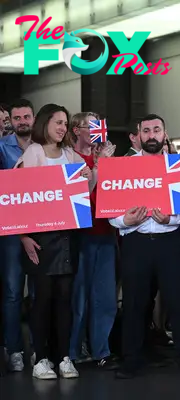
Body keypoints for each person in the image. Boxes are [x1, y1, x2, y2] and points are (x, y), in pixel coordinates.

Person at [108, 114, 180, 380]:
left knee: (178, 302)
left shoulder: (177, 165)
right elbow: (109, 208)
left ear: (164, 133)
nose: (151, 135)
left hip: (169, 242)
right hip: (135, 242)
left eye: (156, 129)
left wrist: (171, 218)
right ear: (138, 134)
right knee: (135, 304)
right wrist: (124, 220)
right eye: (146, 130)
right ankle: (131, 360)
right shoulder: (123, 166)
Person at [17, 104, 95, 380]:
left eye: (65, 123)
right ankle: (41, 359)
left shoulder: (72, 155)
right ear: (44, 124)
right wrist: (24, 236)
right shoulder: (33, 153)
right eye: (57, 122)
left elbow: (83, 194)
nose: (62, 127)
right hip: (40, 239)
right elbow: (19, 198)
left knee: (65, 300)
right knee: (42, 300)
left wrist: (90, 176)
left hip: (67, 236)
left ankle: (63, 357)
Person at [68, 112, 118, 368]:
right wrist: (100, 165)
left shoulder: (106, 158)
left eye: (99, 125)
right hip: (81, 234)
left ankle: (101, 351)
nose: (96, 130)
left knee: (106, 297)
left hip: (106, 232)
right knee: (79, 297)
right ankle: (72, 351)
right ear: (76, 130)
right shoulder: (70, 158)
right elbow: (79, 194)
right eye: (90, 126)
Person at [0, 99, 35, 372]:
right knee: (12, 293)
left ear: (34, 118)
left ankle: (39, 348)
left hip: (43, 228)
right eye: (17, 117)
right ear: (9, 121)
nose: (22, 121)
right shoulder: (1, 148)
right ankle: (14, 349)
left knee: (38, 293)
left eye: (26, 116)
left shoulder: (44, 147)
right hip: (11, 232)